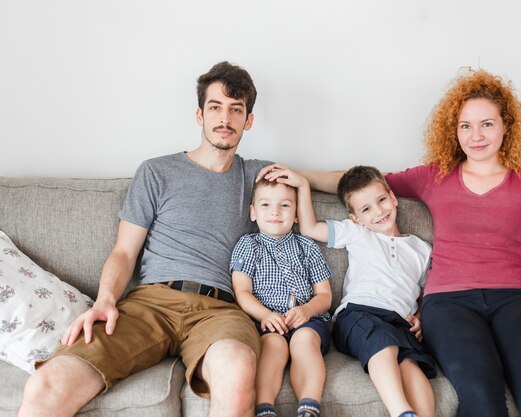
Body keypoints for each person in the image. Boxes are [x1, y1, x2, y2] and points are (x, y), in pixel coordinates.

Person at [261, 69, 521, 417]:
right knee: (482, 402)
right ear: (454, 131)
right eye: (465, 126)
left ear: (506, 126)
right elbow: (360, 182)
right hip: (450, 305)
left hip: (516, 299)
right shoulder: (436, 176)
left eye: (487, 124)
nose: (476, 136)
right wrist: (297, 175)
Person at [18, 61, 273, 417]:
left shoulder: (258, 175)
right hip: (150, 304)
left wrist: (374, 184)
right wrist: (105, 300)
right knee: (48, 383)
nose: (225, 119)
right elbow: (124, 252)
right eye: (215, 107)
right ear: (200, 115)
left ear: (248, 121)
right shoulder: (157, 171)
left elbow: (331, 181)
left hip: (221, 311)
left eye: (236, 110)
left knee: (237, 368)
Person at [269, 165, 436, 417]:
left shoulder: (421, 249)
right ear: (356, 217)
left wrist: (422, 317)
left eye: (381, 200)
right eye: (366, 209)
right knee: (382, 342)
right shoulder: (357, 233)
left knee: (411, 363)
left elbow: (429, 292)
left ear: (393, 198)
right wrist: (303, 185)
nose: (378, 211)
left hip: (400, 322)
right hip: (357, 314)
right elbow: (310, 228)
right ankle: (401, 412)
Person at [231, 178, 333, 417]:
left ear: (296, 214)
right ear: (253, 213)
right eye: (266, 205)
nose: (275, 211)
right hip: (266, 320)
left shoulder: (306, 245)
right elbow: (242, 292)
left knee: (305, 341)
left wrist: (307, 310)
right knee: (272, 345)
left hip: (307, 319)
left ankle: (309, 407)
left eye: (285, 205)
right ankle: (265, 408)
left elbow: (325, 295)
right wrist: (265, 315)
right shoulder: (248, 245)